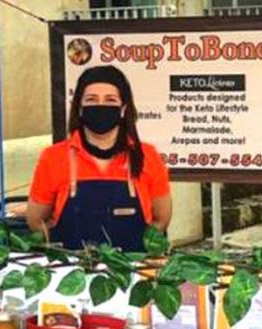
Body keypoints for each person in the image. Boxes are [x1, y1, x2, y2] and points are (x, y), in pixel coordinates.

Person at [27, 65, 171, 251]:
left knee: (189, 282)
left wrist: (138, 256)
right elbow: (35, 222)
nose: (100, 105)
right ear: (80, 107)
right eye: (91, 99)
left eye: (110, 100)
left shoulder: (147, 155)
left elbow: (162, 220)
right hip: (73, 270)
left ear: (122, 108)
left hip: (133, 271)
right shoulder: (53, 157)